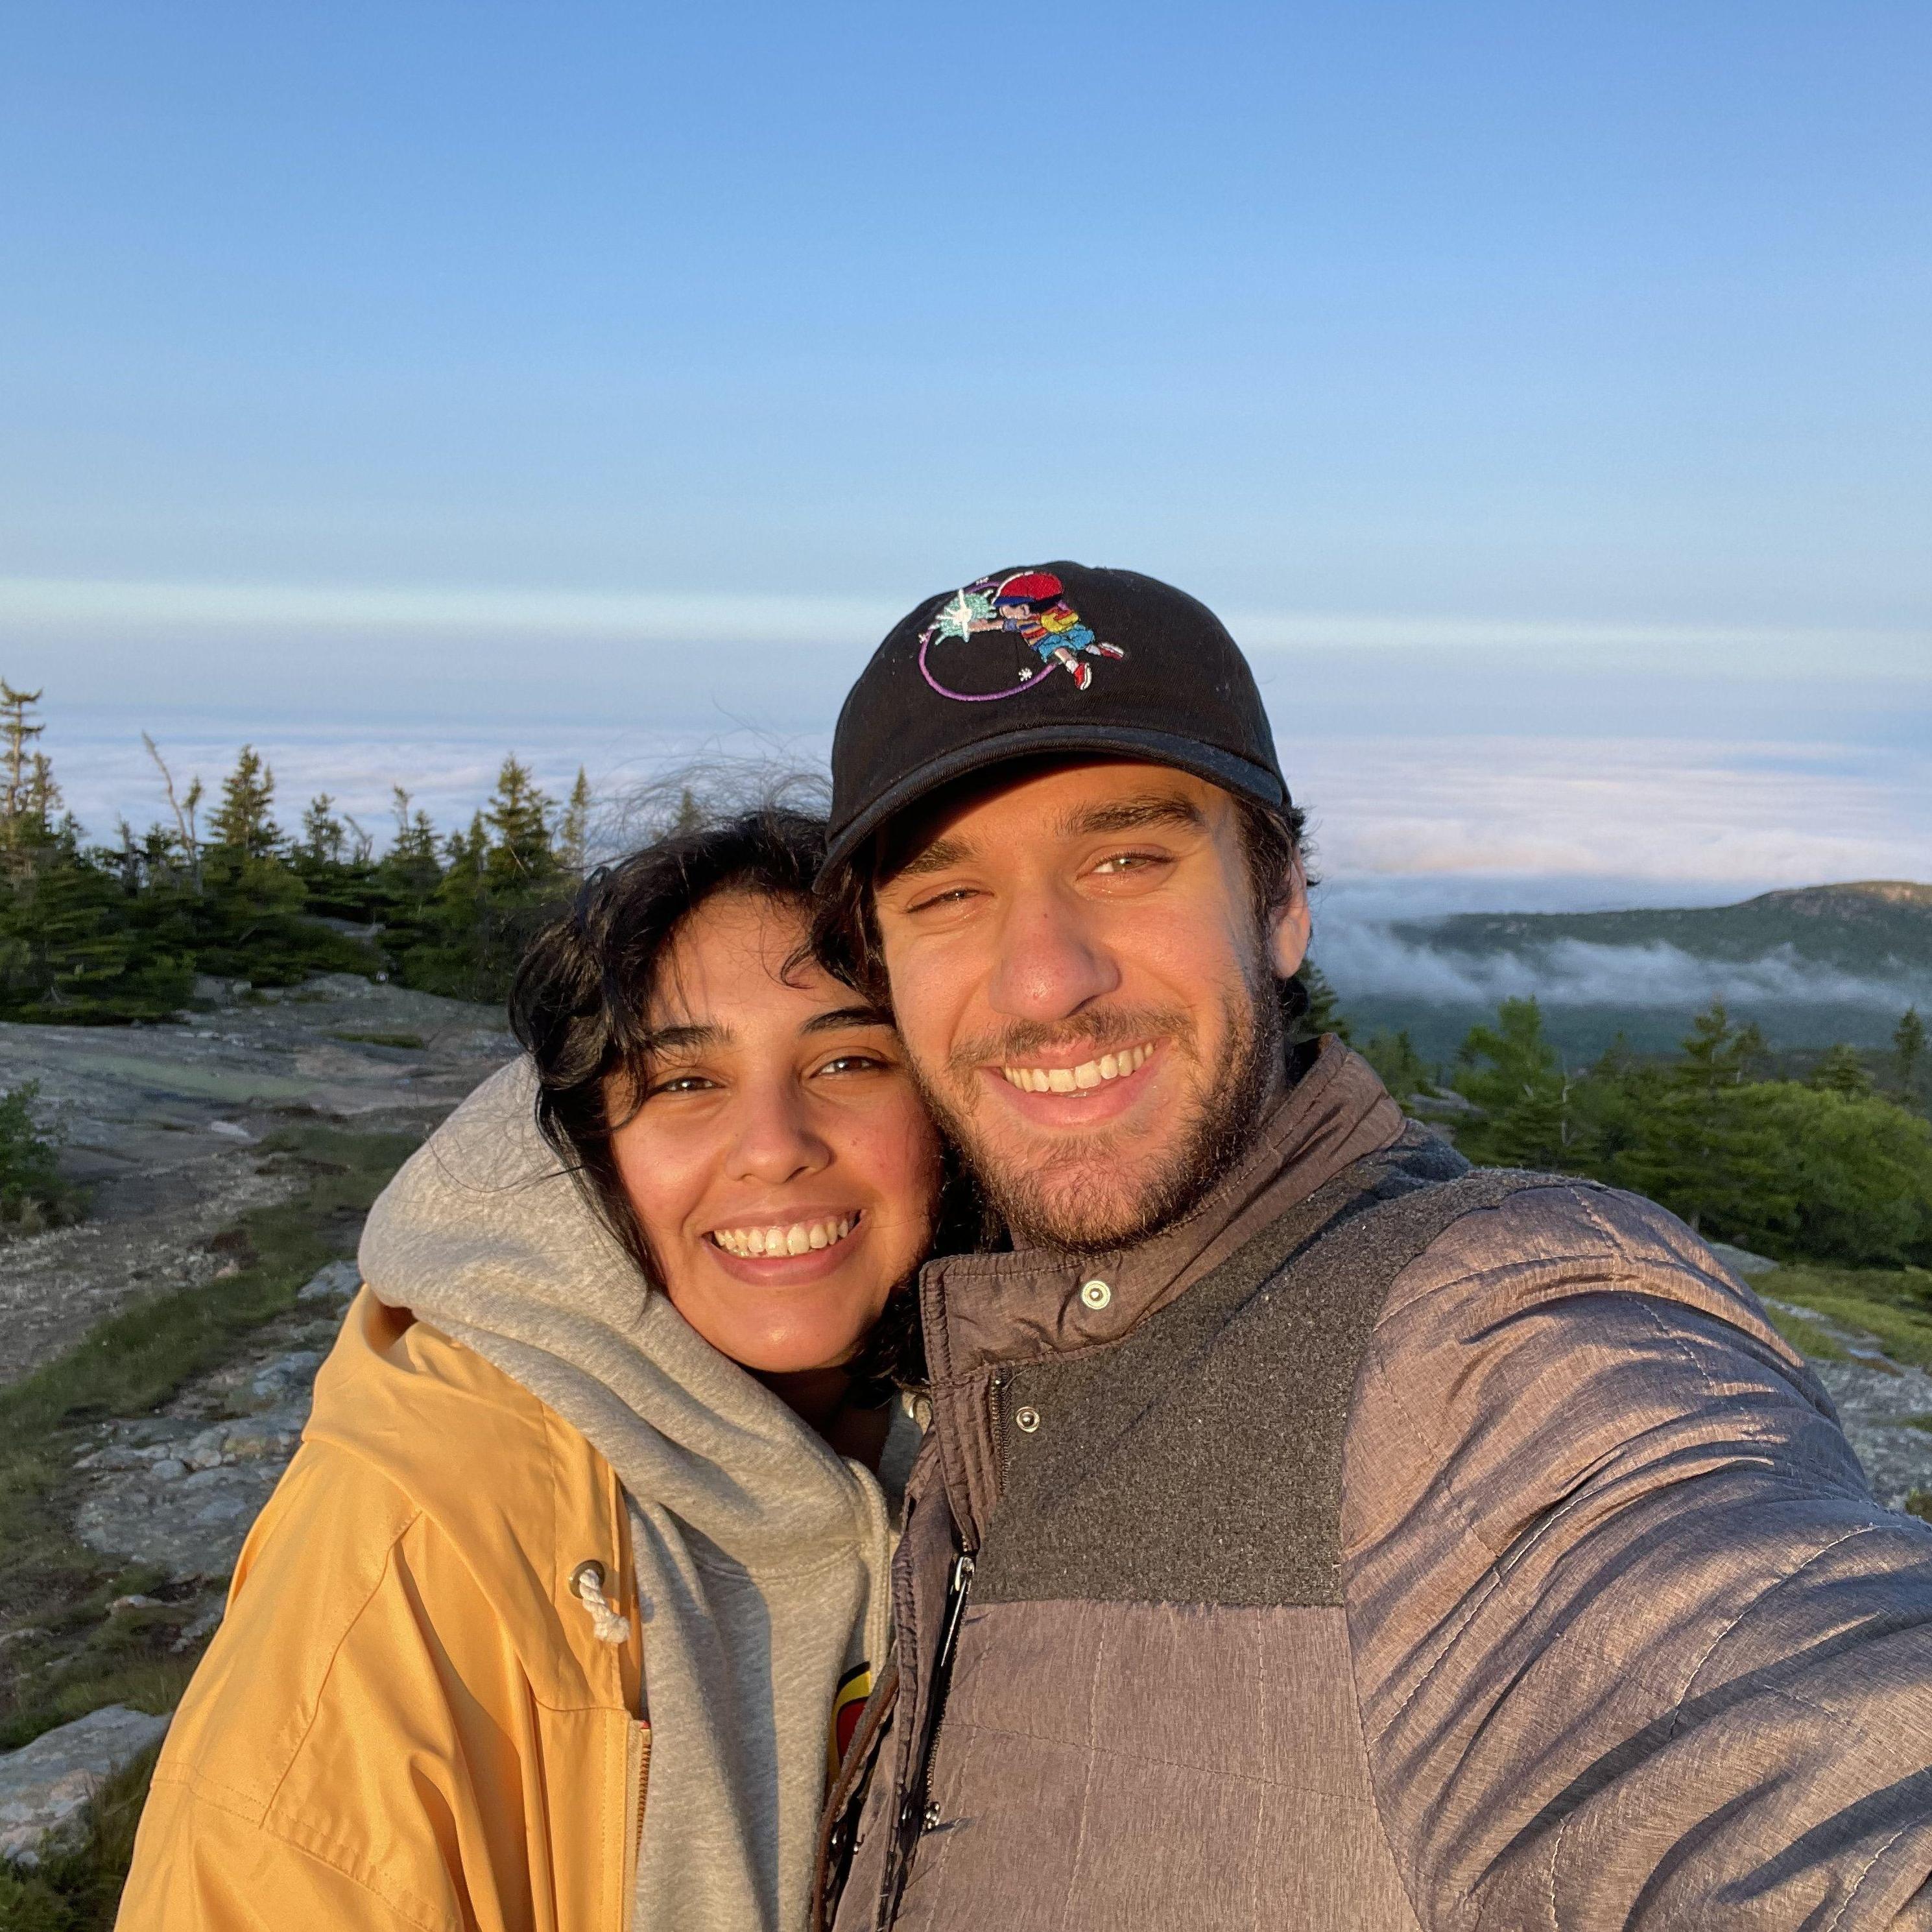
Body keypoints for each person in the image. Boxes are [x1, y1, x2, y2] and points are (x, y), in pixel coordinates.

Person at [807, 561, 1932, 1930]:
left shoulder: (1494, 1324)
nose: (1046, 978)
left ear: (1279, 902)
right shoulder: (975, 1382)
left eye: (1124, 858)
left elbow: (1786, 1727)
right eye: (946, 896)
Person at [118, 807, 953, 1932]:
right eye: (683, 1084)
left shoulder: (1002, 1426)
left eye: (850, 1060)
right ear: (587, 1145)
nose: (773, 1142)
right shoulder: (421, 1528)